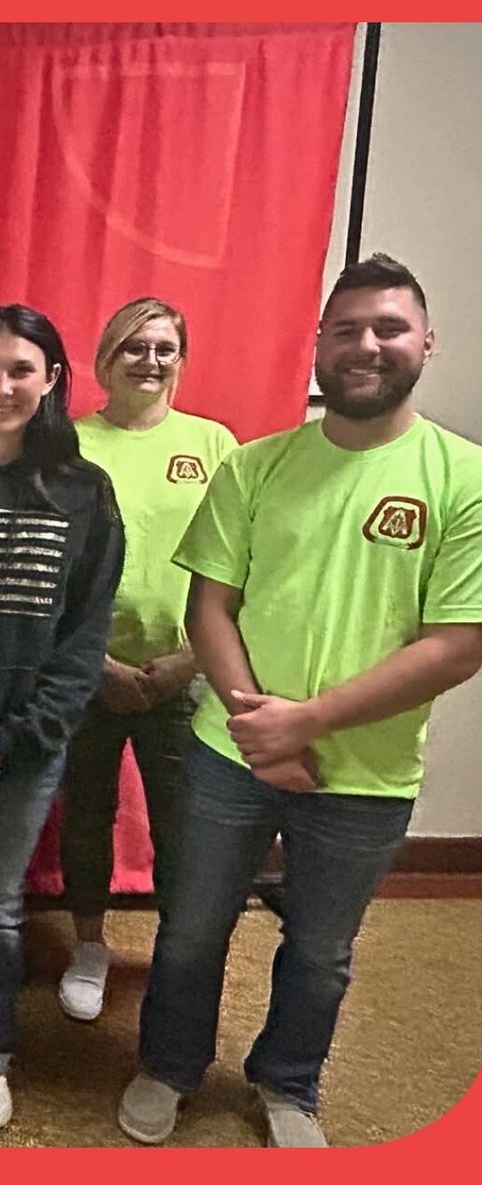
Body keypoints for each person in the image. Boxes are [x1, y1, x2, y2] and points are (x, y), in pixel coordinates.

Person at [117, 253, 482, 1148]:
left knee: (320, 953)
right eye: (347, 328)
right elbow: (212, 605)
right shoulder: (254, 467)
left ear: (425, 344)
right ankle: (167, 1064)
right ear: (319, 344)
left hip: (366, 773)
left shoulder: (469, 479)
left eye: (388, 328)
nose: (367, 345)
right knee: (191, 932)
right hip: (228, 754)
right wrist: (260, 730)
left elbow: (459, 642)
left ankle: (289, 1084)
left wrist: (307, 724)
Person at [56, 298, 237, 1022]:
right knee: (84, 816)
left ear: (181, 360)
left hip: (183, 673)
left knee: (184, 828)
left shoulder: (216, 444)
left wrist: (192, 661)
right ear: (107, 358)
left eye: (164, 348)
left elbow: (241, 566)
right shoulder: (68, 446)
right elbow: (47, 566)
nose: (150, 361)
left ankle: (178, 955)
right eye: (135, 347)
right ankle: (88, 946)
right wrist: (92, 660)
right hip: (85, 669)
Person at [0, 304, 124, 1129]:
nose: (3, 383)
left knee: (0, 907)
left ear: (50, 380)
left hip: (24, 741)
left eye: (19, 368)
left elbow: (84, 637)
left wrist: (29, 732)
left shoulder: (82, 492)